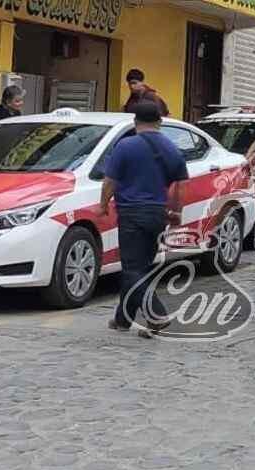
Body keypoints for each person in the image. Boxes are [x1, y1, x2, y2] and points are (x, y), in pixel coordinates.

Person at [98, 100, 188, 336]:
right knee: (140, 268)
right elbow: (179, 184)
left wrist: (103, 204)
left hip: (131, 213)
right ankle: (122, 320)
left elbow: (110, 181)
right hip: (157, 214)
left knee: (132, 269)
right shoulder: (171, 147)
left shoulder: (125, 146)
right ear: (160, 122)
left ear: (135, 121)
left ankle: (156, 315)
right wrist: (177, 211)